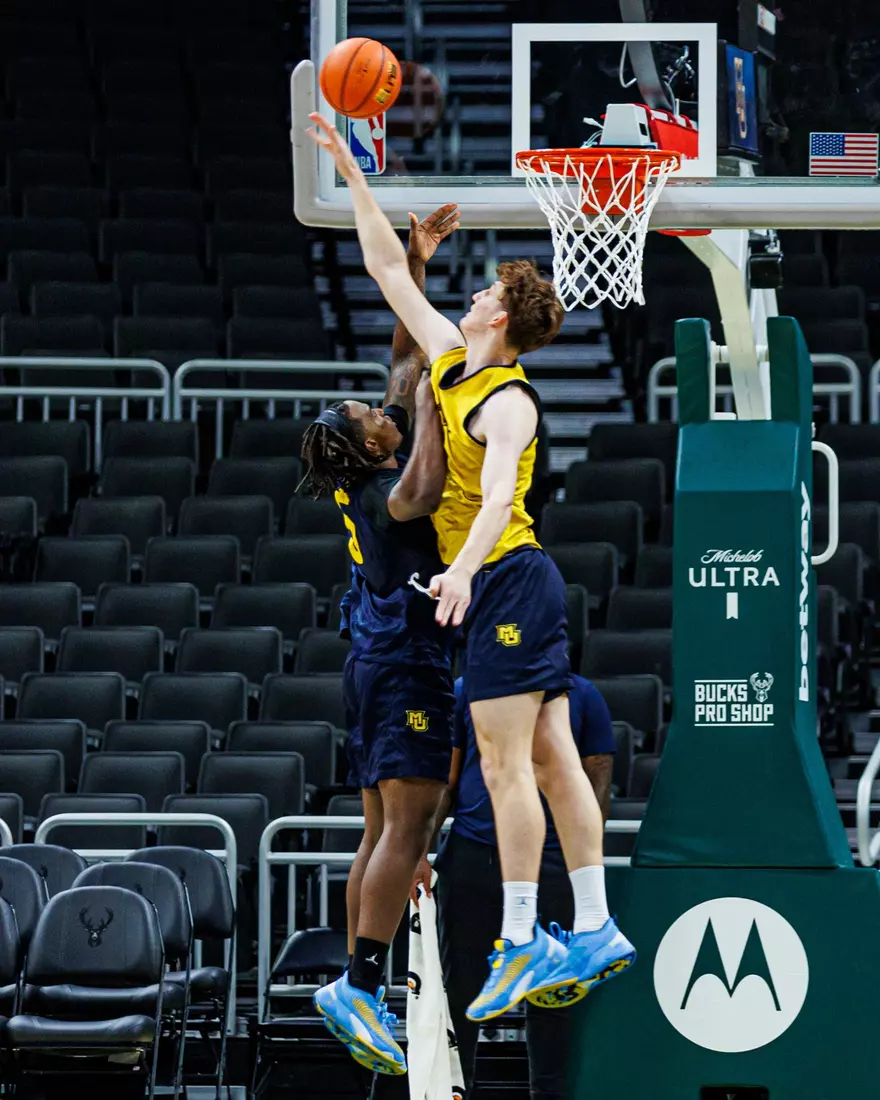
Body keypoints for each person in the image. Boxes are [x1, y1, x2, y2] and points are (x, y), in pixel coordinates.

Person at [307, 112, 635, 1023]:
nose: (470, 296)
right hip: (500, 583)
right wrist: (352, 176)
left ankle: (528, 936)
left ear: (498, 315)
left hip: (508, 577)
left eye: (484, 291)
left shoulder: (510, 402)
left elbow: (495, 500)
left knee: (506, 766)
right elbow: (382, 270)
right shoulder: (451, 363)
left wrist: (461, 573)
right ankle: (595, 925)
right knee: (547, 756)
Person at [303, 204, 460, 1076]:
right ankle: (360, 985)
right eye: (373, 412)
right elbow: (423, 483)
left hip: (371, 657)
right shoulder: (384, 490)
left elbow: (403, 360)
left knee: (379, 832)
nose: (382, 401)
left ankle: (358, 978)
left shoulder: (365, 457)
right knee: (406, 825)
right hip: (400, 661)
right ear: (370, 446)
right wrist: (441, 393)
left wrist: (416, 263)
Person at [426, 674, 616, 1099]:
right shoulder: (466, 689)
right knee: (461, 988)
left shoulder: (581, 694)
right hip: (475, 854)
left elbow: (598, 772)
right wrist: (422, 850)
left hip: (552, 860)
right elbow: (448, 778)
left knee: (553, 992)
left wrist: (585, 851)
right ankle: (453, 1091)